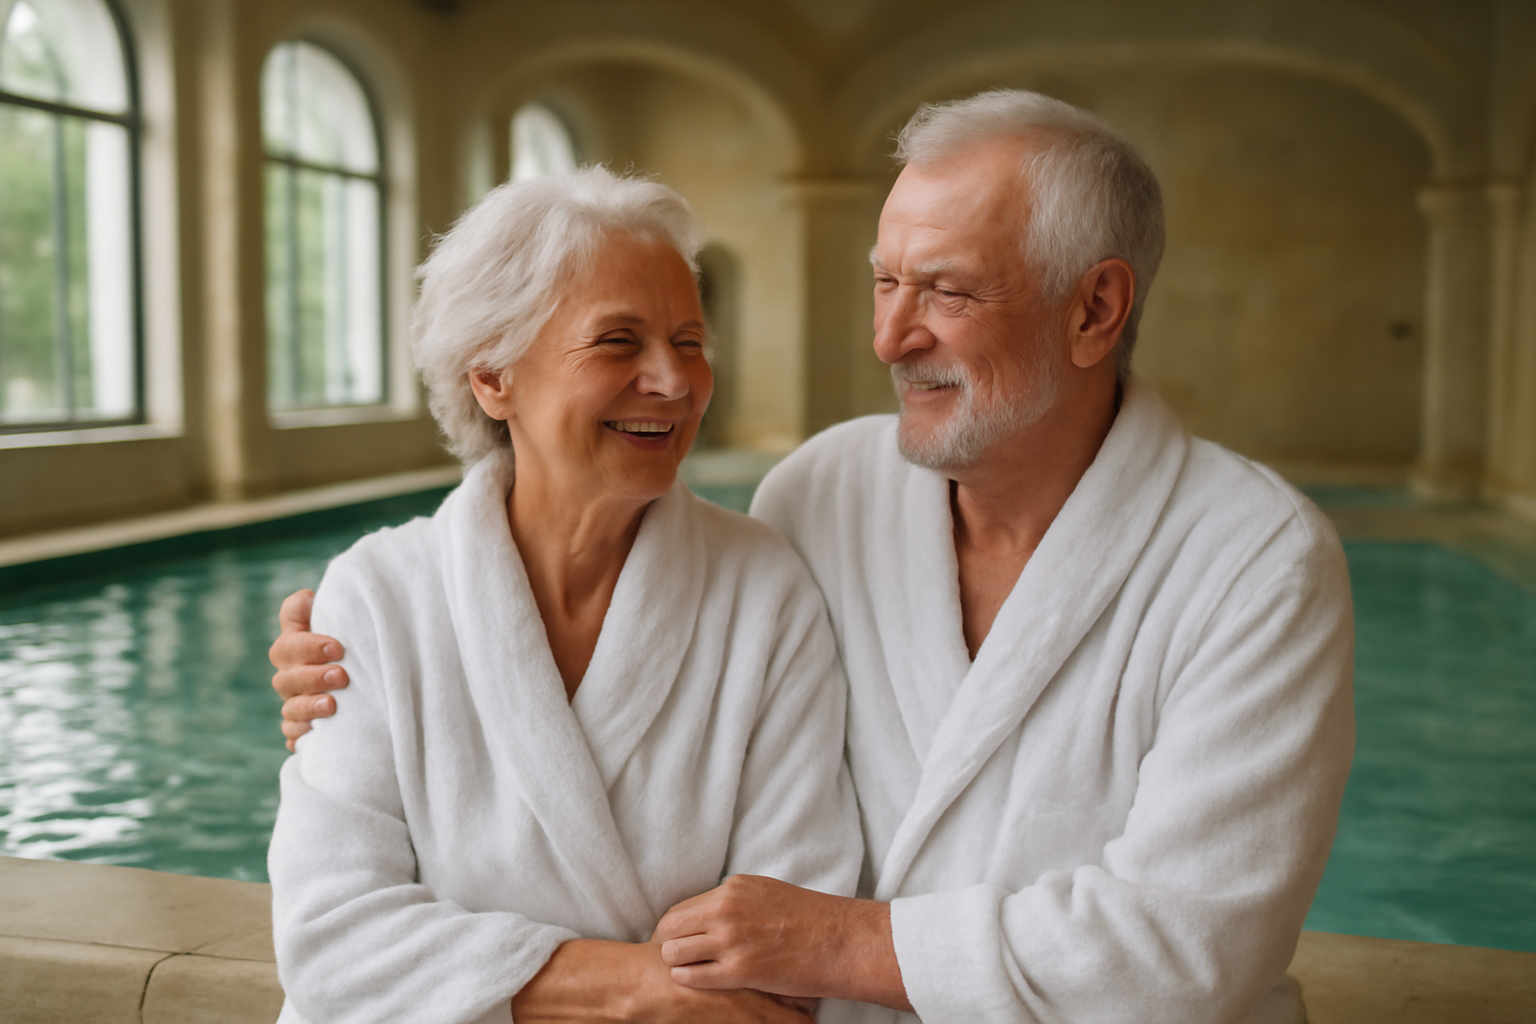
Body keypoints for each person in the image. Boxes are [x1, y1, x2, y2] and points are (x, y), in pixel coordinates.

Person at [273, 91, 1355, 1024]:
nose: (890, 337)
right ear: (489, 377)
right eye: (885, 283)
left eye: (946, 289)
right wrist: (347, 659)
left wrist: (836, 944)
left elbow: (1189, 945)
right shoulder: (823, 497)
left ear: (1096, 308)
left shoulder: (1254, 561)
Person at [266, 166, 860, 1024]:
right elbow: (329, 940)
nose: (674, 381)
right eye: (619, 341)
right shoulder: (380, 597)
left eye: (690, 341)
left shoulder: (766, 595)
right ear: (493, 377)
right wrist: (641, 988)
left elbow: (787, 956)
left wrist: (489, 977)